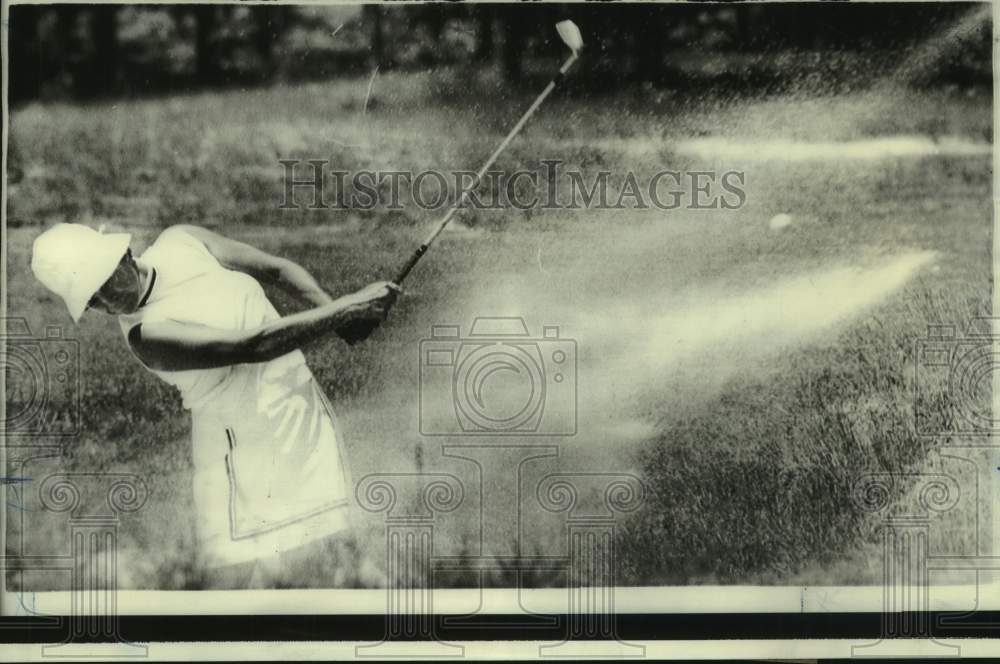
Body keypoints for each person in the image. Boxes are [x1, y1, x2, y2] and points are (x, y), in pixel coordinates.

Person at [31, 223, 399, 587]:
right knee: (234, 590)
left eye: (105, 283)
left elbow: (276, 269)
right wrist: (346, 310)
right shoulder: (146, 335)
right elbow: (252, 346)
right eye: (93, 300)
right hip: (239, 455)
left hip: (300, 412)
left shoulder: (182, 240)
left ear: (122, 255)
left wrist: (335, 310)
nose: (107, 302)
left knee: (335, 561)